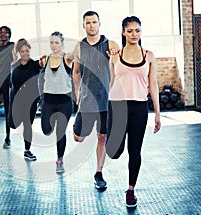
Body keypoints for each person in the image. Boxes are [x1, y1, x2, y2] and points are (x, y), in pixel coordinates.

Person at [106, 16, 161, 207]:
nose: (134, 34)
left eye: (137, 30)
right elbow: (112, 82)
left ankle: (131, 190)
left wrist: (157, 113)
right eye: (130, 31)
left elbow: (153, 85)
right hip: (118, 106)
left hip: (139, 108)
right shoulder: (115, 55)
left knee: (135, 151)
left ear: (141, 32)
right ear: (123, 32)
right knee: (114, 152)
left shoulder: (149, 55)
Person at [72, 11, 119, 189]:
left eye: (94, 22)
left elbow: (117, 65)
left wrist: (115, 53)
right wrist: (77, 92)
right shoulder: (79, 47)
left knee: (102, 136)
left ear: (100, 23)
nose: (91, 26)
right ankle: (78, 131)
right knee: (78, 138)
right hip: (86, 99)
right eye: (88, 23)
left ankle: (98, 172)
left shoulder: (111, 44)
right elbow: (76, 72)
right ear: (84, 25)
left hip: (105, 100)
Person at [39, 31, 74, 173]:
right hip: (48, 101)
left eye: (57, 42)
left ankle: (60, 160)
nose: (54, 45)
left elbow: (76, 53)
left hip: (64, 101)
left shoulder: (67, 58)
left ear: (62, 44)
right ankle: (51, 124)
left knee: (61, 133)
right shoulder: (45, 59)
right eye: (52, 42)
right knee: (46, 130)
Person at [8, 38, 44, 161]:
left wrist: (44, 61)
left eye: (27, 51)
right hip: (16, 100)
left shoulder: (34, 64)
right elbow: (10, 84)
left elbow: (41, 64)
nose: (25, 53)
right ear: (19, 52)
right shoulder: (14, 66)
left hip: (30, 100)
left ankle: (27, 150)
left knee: (27, 125)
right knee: (12, 124)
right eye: (22, 51)